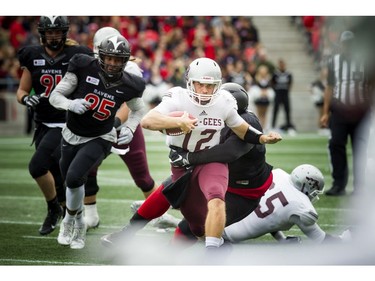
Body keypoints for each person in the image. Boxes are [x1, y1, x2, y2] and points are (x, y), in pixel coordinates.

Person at [101, 62, 281, 253]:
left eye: (211, 86)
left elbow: (228, 152)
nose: (205, 92)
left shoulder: (238, 115)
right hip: (206, 167)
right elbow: (152, 121)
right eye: (201, 85)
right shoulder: (191, 99)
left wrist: (187, 158)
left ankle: (191, 251)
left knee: (195, 225)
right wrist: (175, 123)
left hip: (242, 189)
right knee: (167, 191)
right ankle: (128, 232)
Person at [49, 33, 146, 249]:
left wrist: (130, 127)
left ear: (125, 60)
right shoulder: (83, 66)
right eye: (109, 58)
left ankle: (70, 222)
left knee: (75, 177)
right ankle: (80, 219)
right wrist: (70, 104)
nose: (112, 63)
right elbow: (55, 96)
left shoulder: (131, 83)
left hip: (101, 136)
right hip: (72, 133)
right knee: (69, 181)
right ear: (100, 56)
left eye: (117, 59)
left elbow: (139, 109)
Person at [83, 26, 178, 230]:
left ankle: (158, 214)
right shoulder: (88, 66)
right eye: (105, 55)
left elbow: (130, 104)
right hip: (96, 128)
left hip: (125, 128)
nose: (109, 61)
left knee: (142, 176)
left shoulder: (131, 70)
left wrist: (114, 124)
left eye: (114, 57)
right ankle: (90, 214)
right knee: (87, 169)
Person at [15, 16, 92, 235]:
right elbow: (22, 90)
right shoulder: (31, 55)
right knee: (58, 177)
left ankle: (53, 211)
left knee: (37, 166)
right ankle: (72, 216)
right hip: (42, 124)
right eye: (50, 32)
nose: (54, 36)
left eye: (58, 32)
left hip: (66, 123)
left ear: (65, 32)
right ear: (42, 33)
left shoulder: (77, 55)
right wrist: (24, 99)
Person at [223, 164, 343, 244]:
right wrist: (344, 239)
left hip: (218, 220)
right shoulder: (300, 205)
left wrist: (282, 240)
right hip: (229, 235)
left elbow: (272, 216)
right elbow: (320, 238)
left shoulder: (278, 175)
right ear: (307, 187)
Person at [320, 30, 373, 196]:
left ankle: (360, 187)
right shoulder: (334, 62)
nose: (348, 47)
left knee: (361, 148)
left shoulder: (365, 60)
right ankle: (339, 184)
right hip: (340, 109)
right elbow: (329, 88)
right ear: (341, 44)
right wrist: (325, 112)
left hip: (360, 111)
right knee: (336, 144)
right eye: (345, 44)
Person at [271, 58, 295, 135]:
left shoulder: (288, 73)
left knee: (287, 110)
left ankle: (289, 127)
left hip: (285, 94)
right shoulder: (275, 73)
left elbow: (290, 83)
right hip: (278, 94)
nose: (281, 66)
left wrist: (287, 89)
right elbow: (272, 82)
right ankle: (273, 126)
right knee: (275, 110)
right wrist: (275, 89)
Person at [311, 66, 330, 136]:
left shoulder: (328, 81)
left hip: (327, 99)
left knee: (327, 114)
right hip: (321, 100)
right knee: (321, 113)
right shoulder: (318, 81)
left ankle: (326, 127)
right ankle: (321, 128)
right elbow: (312, 87)